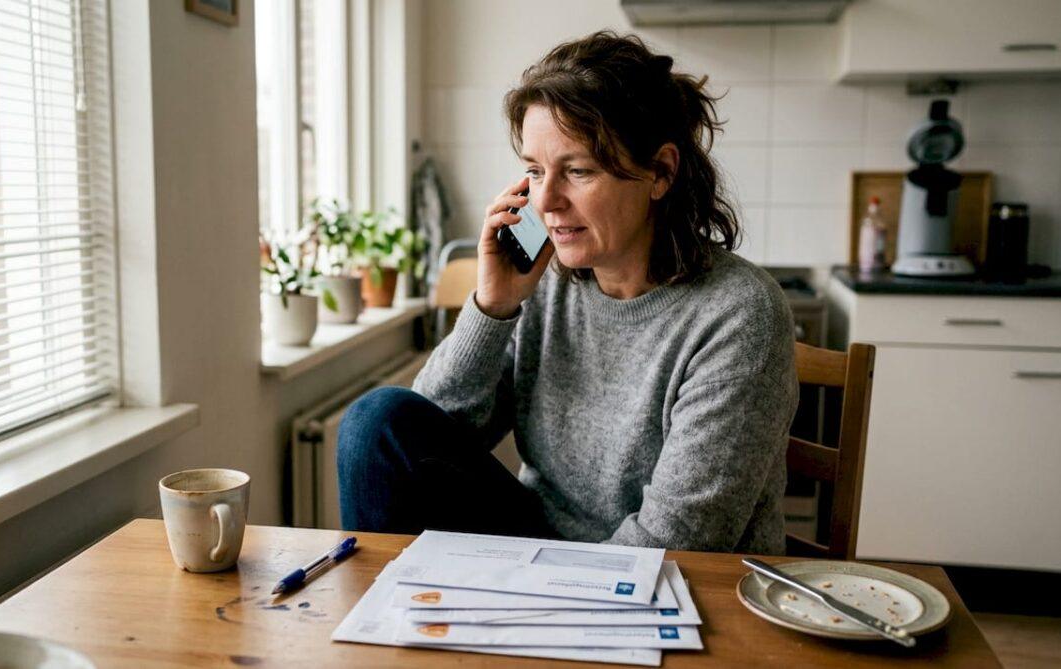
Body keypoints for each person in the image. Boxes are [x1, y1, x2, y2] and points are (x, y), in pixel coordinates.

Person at [337, 31, 798, 553]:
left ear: (660, 172)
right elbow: (428, 442)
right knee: (375, 422)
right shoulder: (545, 283)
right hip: (541, 551)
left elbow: (680, 542)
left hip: (666, 590)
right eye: (535, 171)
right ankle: (377, 625)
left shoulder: (739, 314)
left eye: (577, 171)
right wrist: (494, 306)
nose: (547, 201)